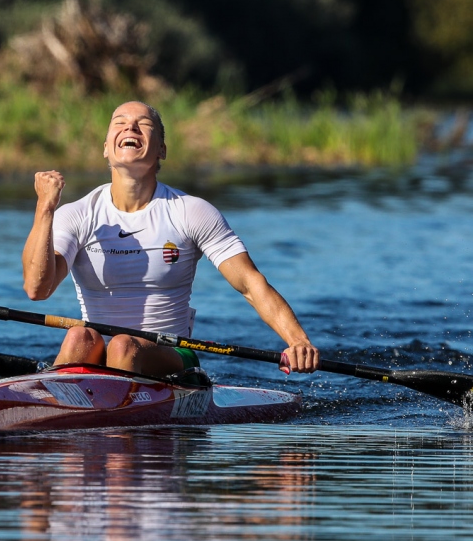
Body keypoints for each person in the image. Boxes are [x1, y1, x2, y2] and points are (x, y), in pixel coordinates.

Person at [22, 100, 319, 378]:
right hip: (97, 353)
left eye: (143, 124)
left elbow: (251, 284)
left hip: (173, 358)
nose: (130, 128)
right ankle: (53, 402)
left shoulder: (190, 211)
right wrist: (45, 208)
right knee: (78, 336)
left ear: (161, 149)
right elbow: (38, 289)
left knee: (123, 345)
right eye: (120, 122)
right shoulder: (78, 214)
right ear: (105, 148)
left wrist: (298, 341)